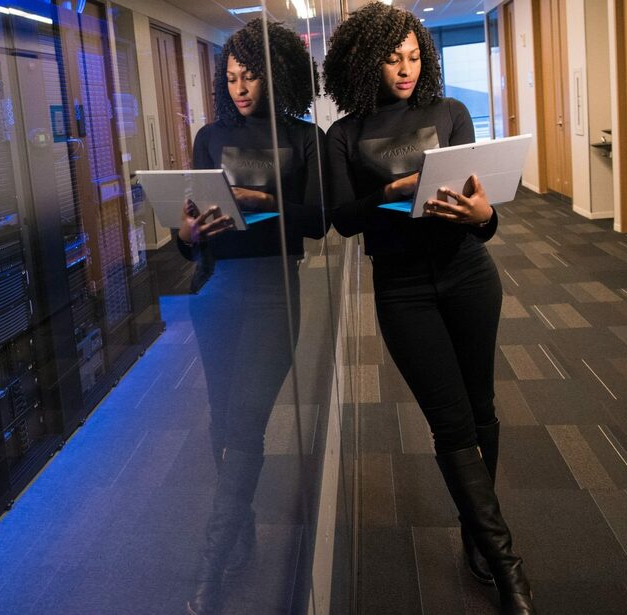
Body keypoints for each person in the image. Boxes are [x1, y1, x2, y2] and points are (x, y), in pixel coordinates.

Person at [321, 4, 535, 614]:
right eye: (393, 58)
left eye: (415, 56)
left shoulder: (451, 113)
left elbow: (482, 213)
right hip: (402, 287)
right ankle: (506, 562)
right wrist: (388, 192)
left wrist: (485, 215)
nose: (406, 69)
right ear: (367, 61)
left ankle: (475, 531)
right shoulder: (346, 134)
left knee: (481, 406)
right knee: (450, 421)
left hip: (468, 275)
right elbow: (342, 219)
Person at [174, 18, 324, 615]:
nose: (240, 87)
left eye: (250, 75)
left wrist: (268, 202)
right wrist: (186, 233)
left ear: (276, 73)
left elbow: (318, 222)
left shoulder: (304, 137)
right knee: (220, 420)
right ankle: (241, 535)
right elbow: (191, 234)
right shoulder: (209, 137)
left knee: (245, 425)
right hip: (217, 290)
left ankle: (212, 563)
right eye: (231, 77)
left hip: (273, 292)